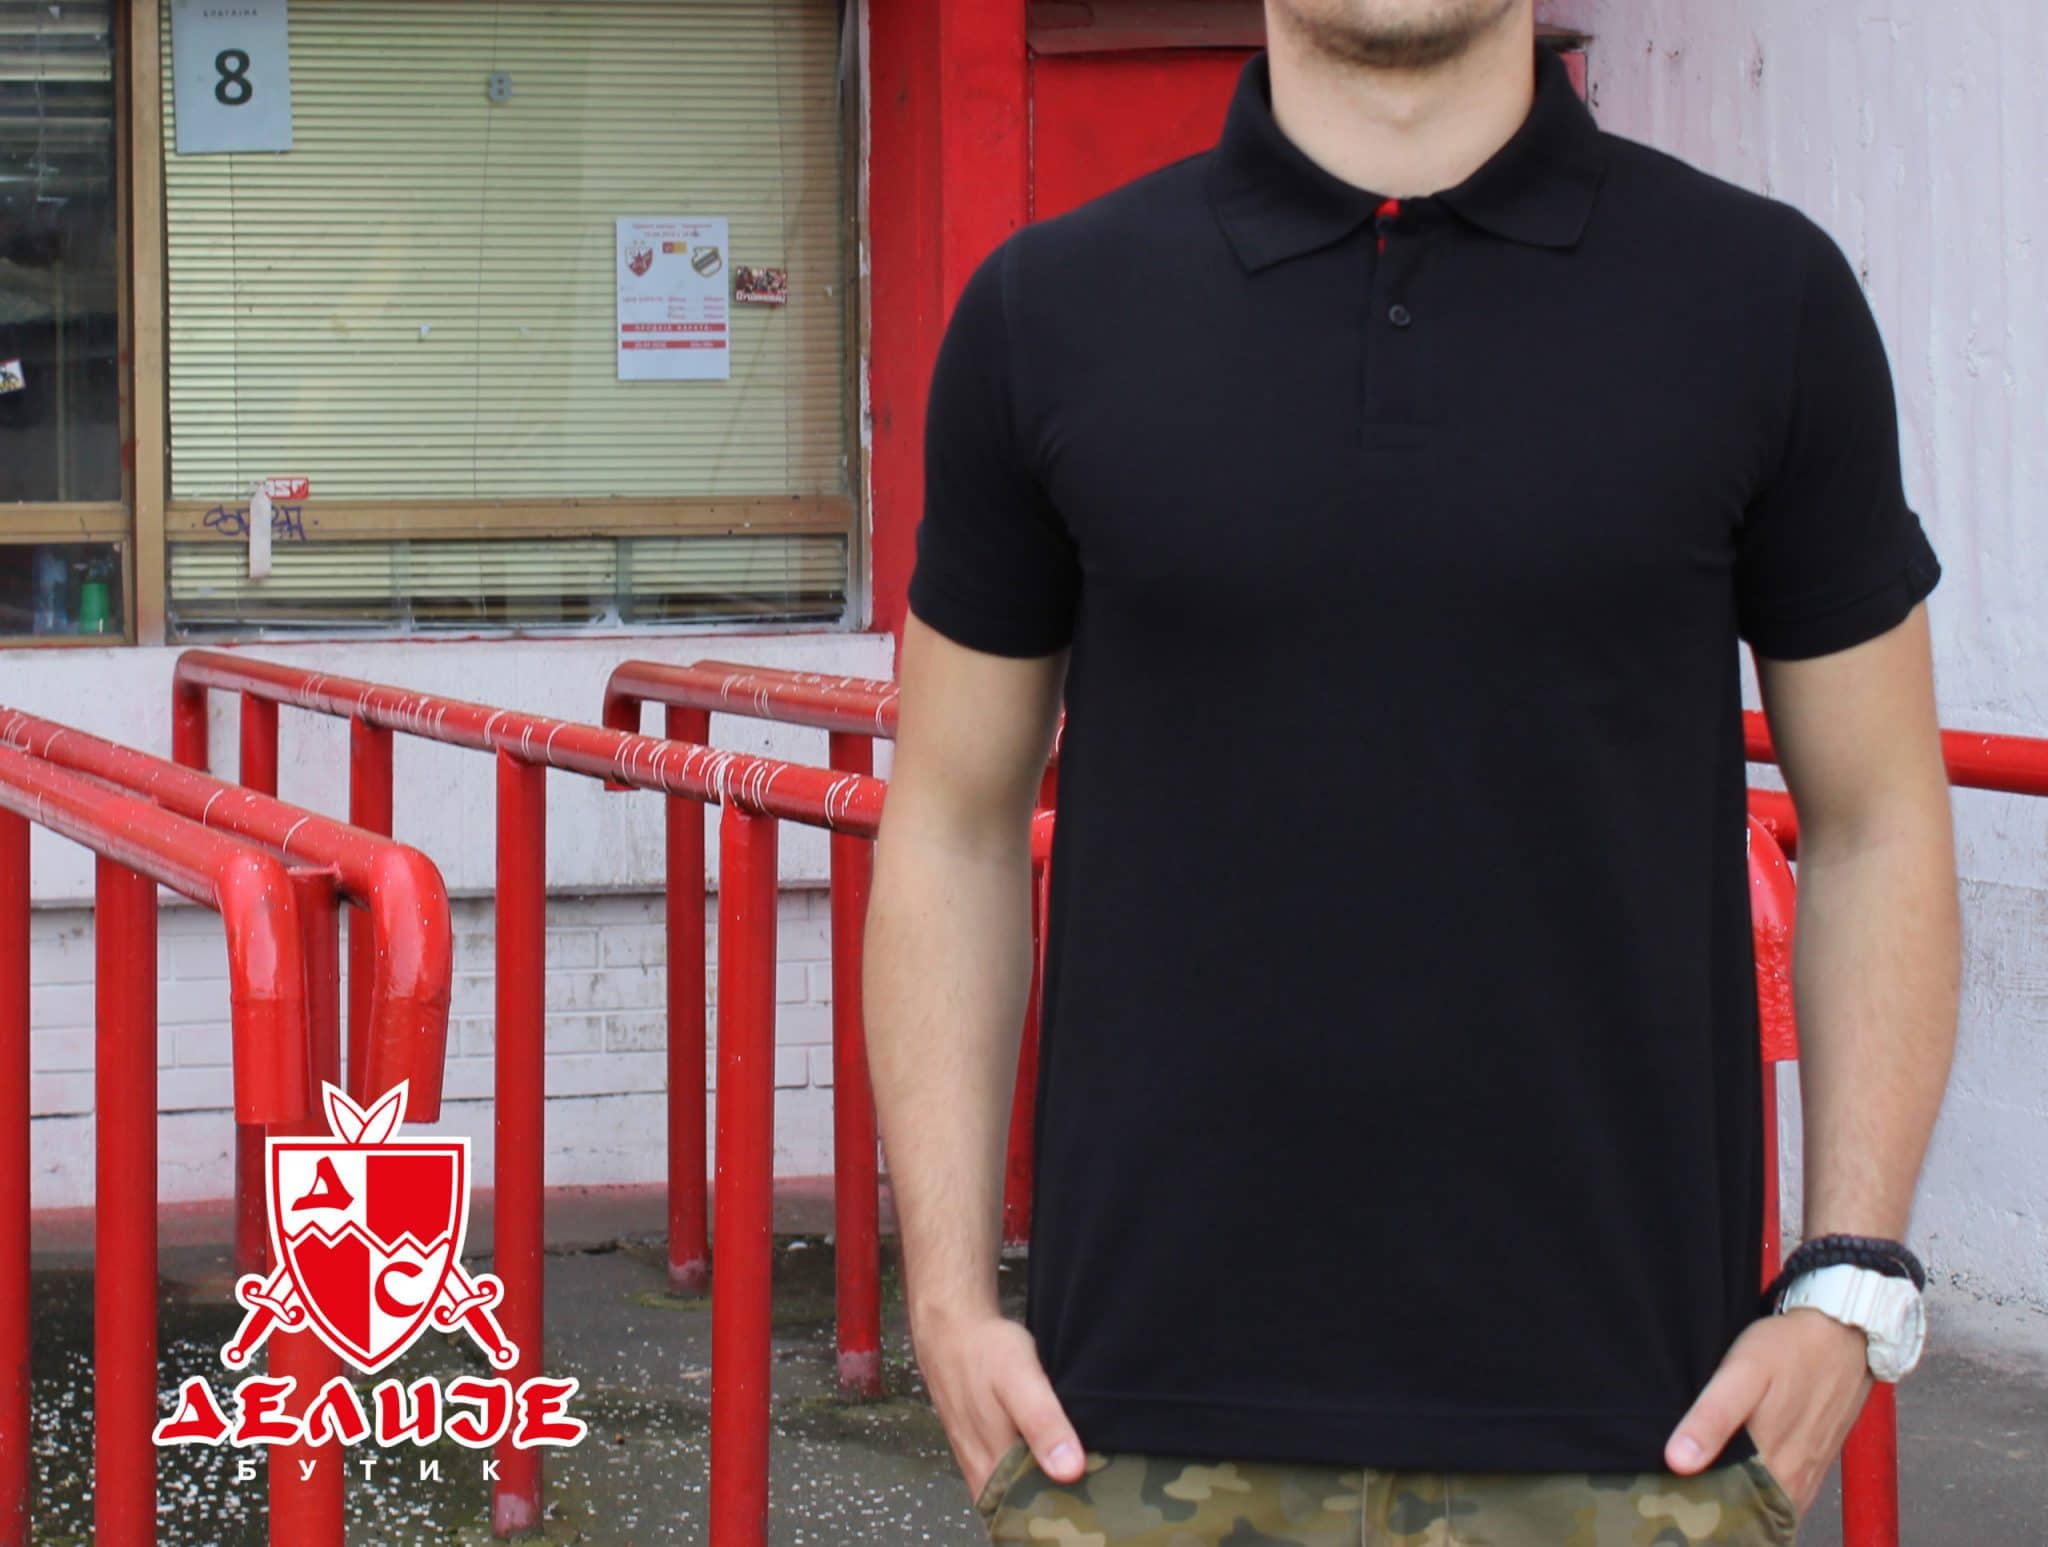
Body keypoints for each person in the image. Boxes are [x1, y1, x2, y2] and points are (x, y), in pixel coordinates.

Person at [863, 2, 1961, 1542]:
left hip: (1646, 1442)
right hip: (1128, 1442)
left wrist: (1848, 1286)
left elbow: (1876, 822)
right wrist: (946, 1299)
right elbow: (952, 827)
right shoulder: (1048, 313)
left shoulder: (1762, 298)